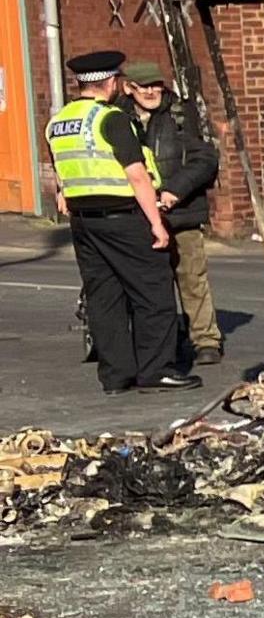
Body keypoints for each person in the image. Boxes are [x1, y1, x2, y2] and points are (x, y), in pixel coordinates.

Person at [50, 47, 194, 393]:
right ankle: (156, 370)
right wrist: (157, 224)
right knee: (153, 290)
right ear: (111, 82)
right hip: (123, 217)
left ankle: (115, 376)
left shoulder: (59, 122)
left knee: (105, 297)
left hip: (84, 222)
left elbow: (60, 172)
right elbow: (137, 175)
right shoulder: (111, 119)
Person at [127, 59, 224, 371]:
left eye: (157, 85)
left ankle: (206, 340)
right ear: (129, 88)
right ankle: (164, 341)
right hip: (138, 215)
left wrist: (173, 191)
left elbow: (205, 158)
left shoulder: (180, 116)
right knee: (151, 286)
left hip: (181, 213)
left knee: (192, 278)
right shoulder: (118, 118)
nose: (153, 91)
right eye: (145, 86)